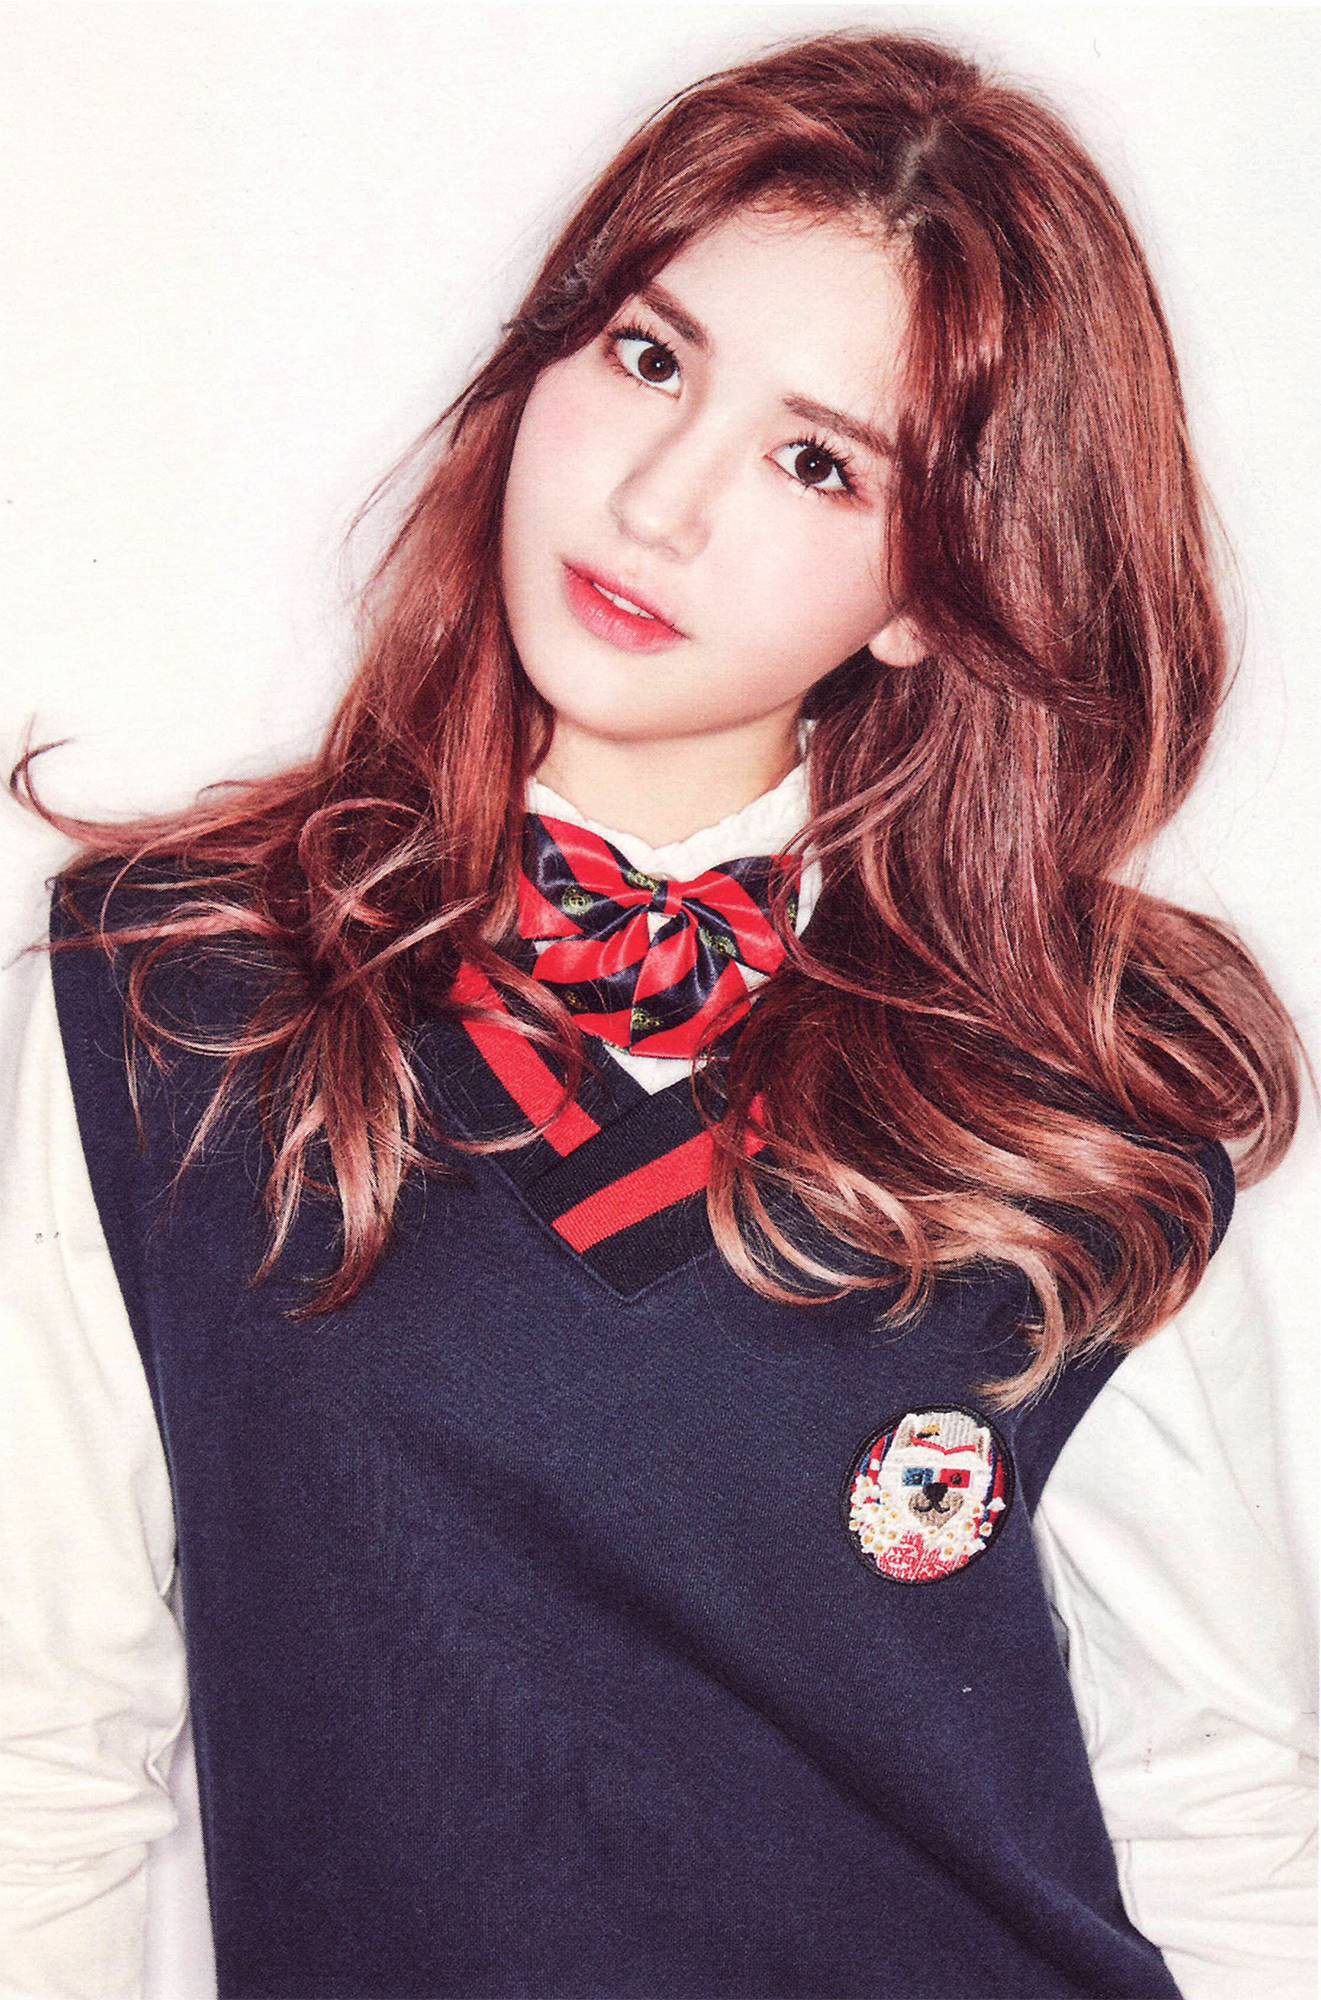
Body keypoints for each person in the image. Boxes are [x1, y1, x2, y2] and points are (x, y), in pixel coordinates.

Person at [1, 24, 1315, 2000]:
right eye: (646, 357)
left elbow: (1221, 1801)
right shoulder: (173, 994)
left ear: (933, 586)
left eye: (816, 461)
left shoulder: (1070, 1086)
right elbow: (43, 1757)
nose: (660, 500)